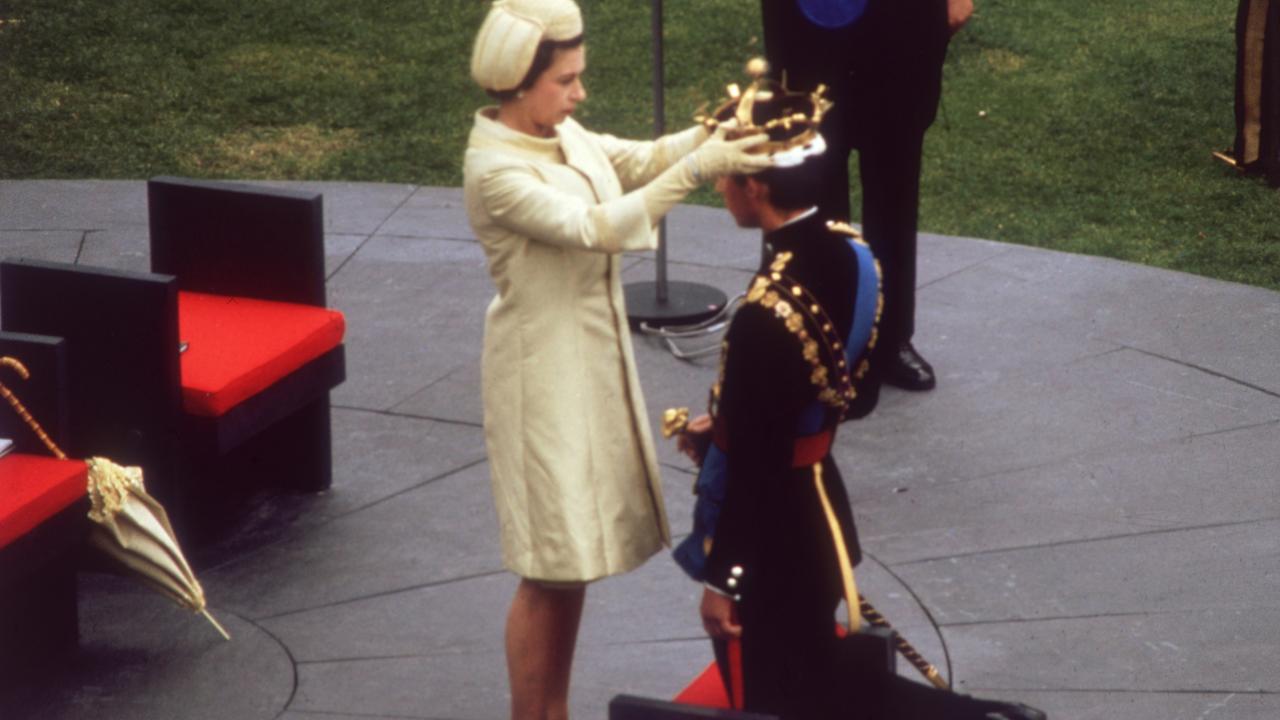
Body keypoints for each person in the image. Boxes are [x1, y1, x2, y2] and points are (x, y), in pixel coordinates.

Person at [672, 77, 1045, 719]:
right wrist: (737, 421)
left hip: (775, 540)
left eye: (725, 175)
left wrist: (720, 579)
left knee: (793, 696)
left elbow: (759, 467)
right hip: (822, 506)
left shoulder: (766, 312)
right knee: (820, 678)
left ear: (754, 188)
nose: (718, 186)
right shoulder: (854, 253)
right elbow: (832, 392)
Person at [462, 2, 771, 718]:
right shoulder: (494, 171)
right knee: (548, 567)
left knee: (569, 568)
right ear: (520, 82)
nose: (579, 95)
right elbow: (597, 227)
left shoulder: (556, 130)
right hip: (539, 375)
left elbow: (631, 160)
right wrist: (703, 165)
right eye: (567, 81)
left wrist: (711, 133)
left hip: (586, 361)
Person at [759, 0, 976, 391]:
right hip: (807, 20)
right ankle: (812, 333)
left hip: (901, 17)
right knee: (812, 172)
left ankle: (890, 339)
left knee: (895, 168)